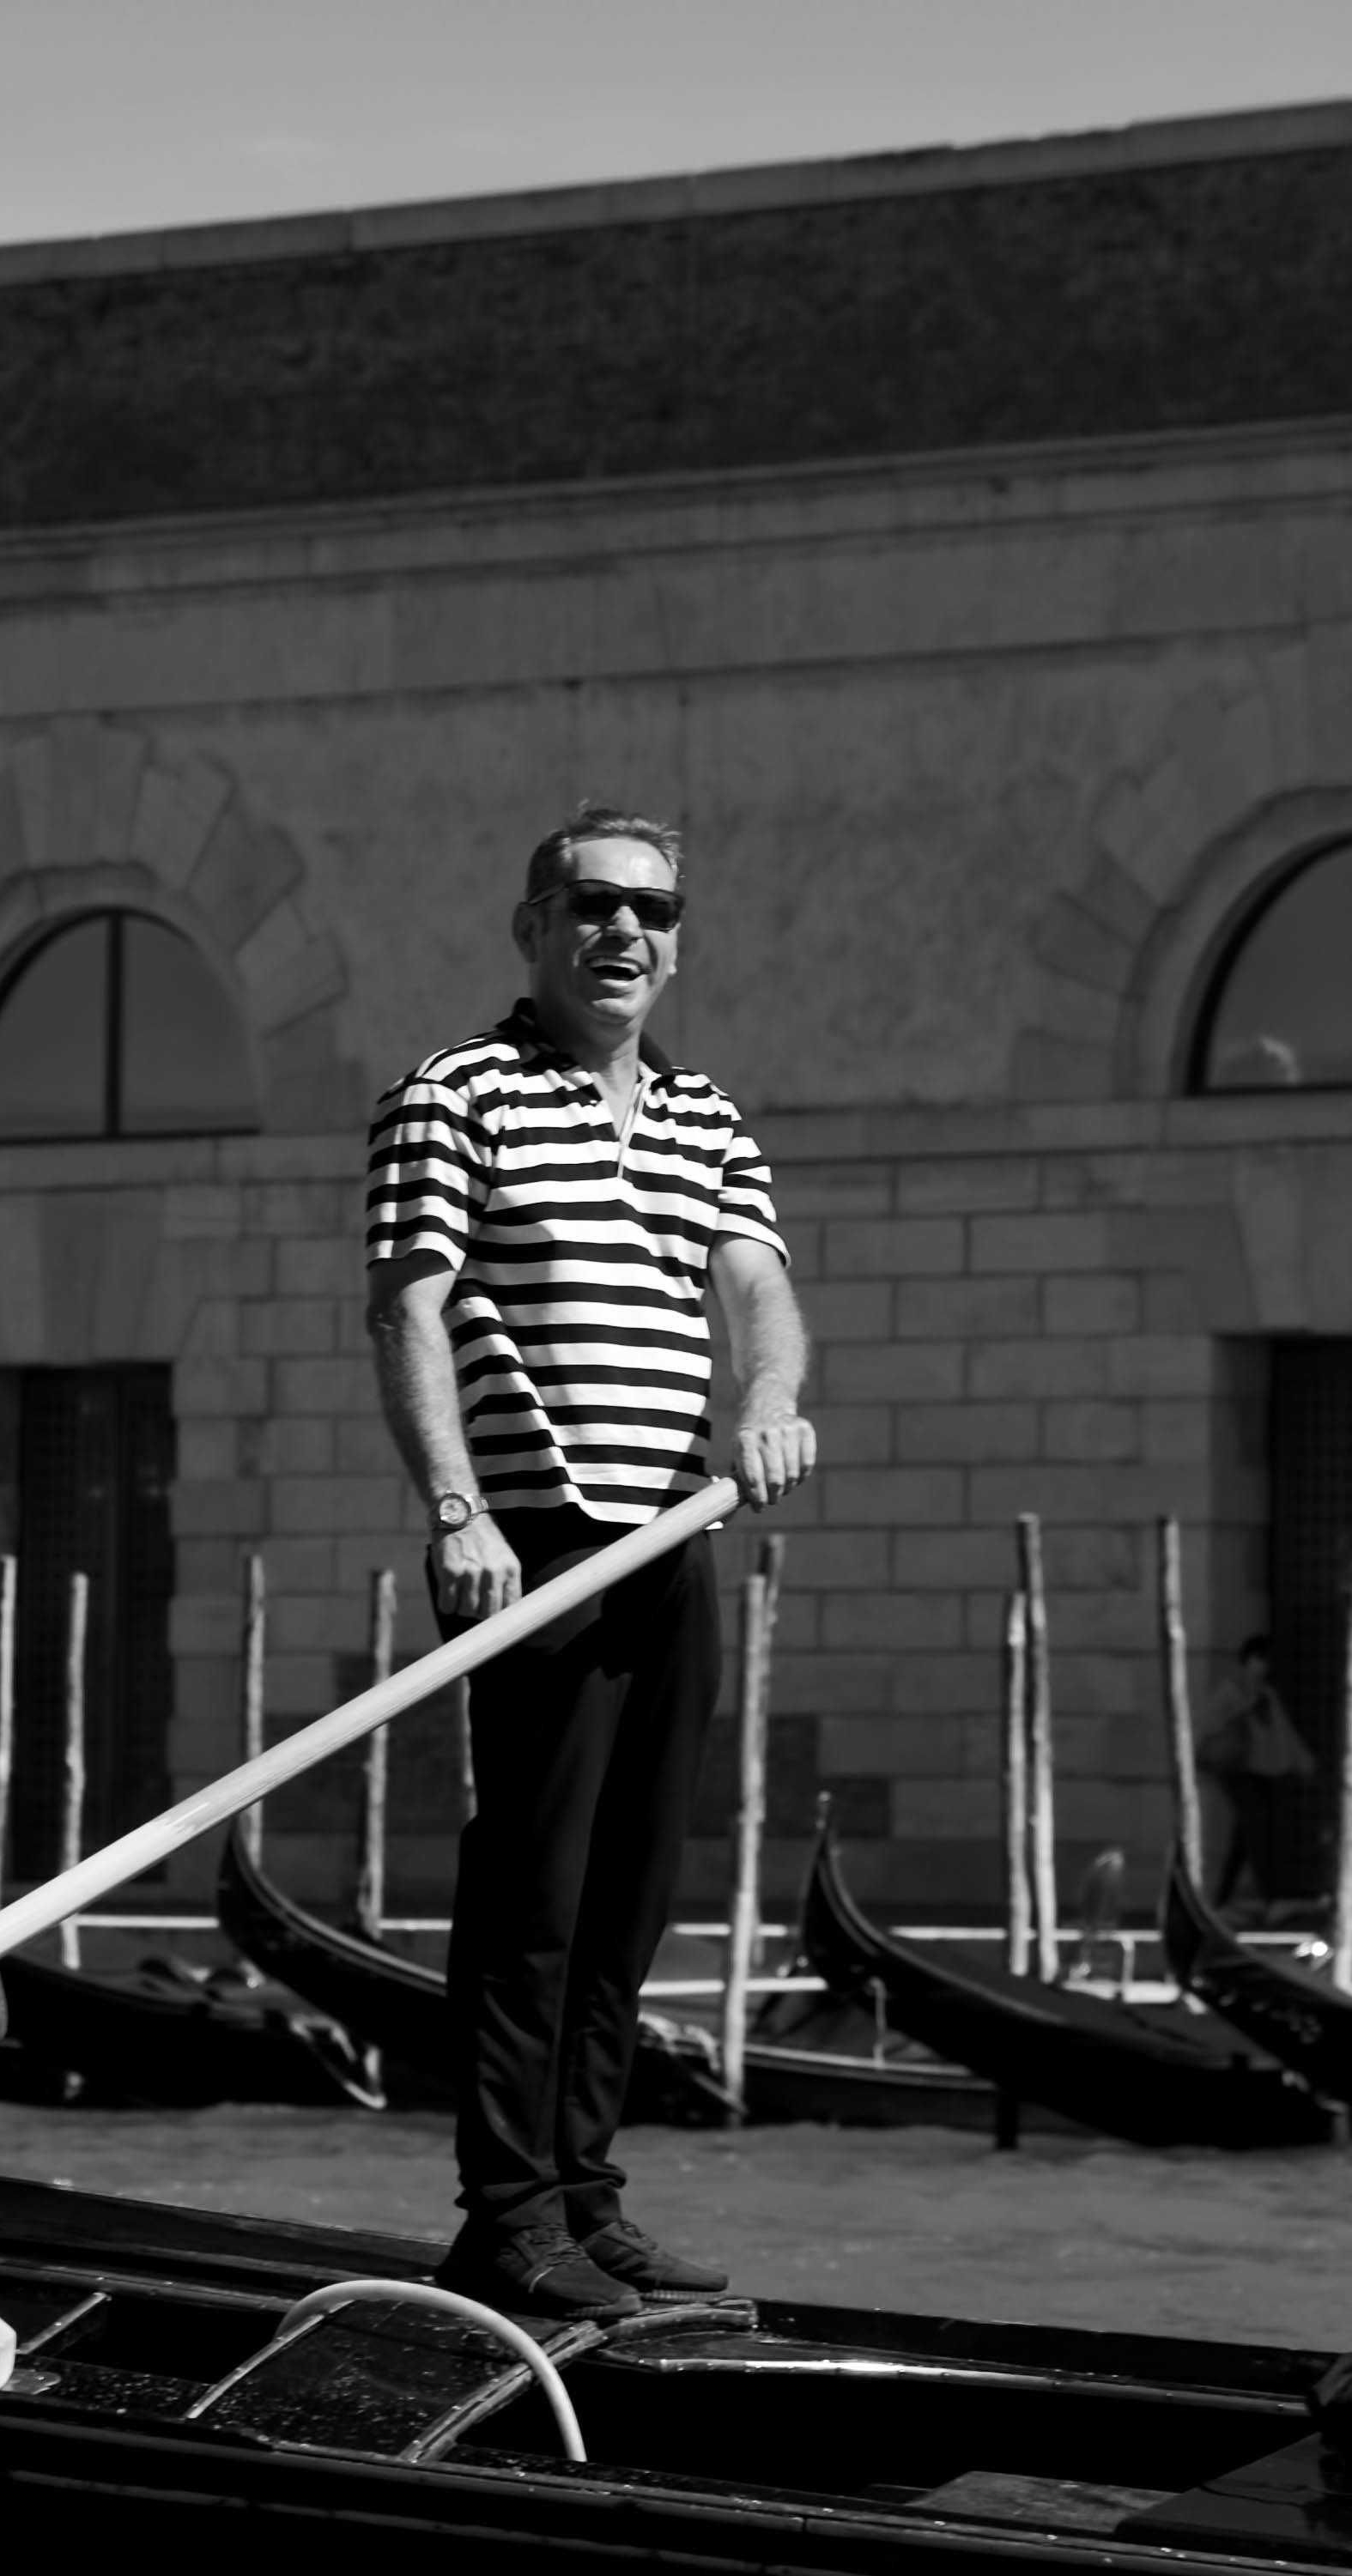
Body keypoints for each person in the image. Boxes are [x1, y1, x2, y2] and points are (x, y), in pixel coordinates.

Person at [363, 801, 815, 2320]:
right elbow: (406, 1310)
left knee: (630, 1895)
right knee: (532, 1898)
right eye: (594, 904)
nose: (625, 931)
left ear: (677, 944)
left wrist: (763, 1397)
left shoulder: (709, 1118)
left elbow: (750, 1280)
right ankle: (506, 2217)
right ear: (533, 925)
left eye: (654, 912)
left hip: (667, 1538)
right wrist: (453, 1513)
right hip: (530, 1545)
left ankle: (583, 2195)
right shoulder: (451, 1096)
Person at [1197, 1634, 1314, 1912]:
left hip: (1262, 1772)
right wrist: (1243, 1708)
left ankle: (1222, 1901)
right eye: (1257, 1659)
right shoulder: (1230, 1691)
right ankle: (1272, 1899)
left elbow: (1283, 1732)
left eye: (1266, 1661)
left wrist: (1302, 1759)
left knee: (1245, 1838)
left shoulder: (1267, 1695)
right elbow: (1207, 1725)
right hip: (1237, 1771)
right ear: (1246, 1661)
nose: (1262, 1667)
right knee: (1257, 1833)